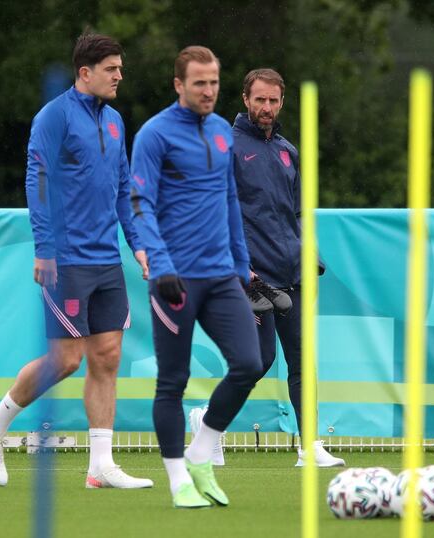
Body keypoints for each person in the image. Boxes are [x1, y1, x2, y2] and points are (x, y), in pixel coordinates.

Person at [0, 33, 153, 490]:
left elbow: (123, 185)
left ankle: (101, 467)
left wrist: (139, 242)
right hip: (66, 260)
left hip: (106, 259)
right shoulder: (53, 116)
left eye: (120, 67)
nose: (119, 75)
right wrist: (44, 248)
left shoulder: (114, 121)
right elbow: (38, 180)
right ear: (85, 72)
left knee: (107, 358)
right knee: (66, 359)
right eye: (111, 68)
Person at [130, 46, 262, 508]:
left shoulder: (223, 131)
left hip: (222, 275)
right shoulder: (154, 135)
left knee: (250, 364)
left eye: (214, 82)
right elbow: (139, 202)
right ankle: (177, 480)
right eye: (199, 83)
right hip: (174, 279)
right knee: (173, 381)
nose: (208, 91)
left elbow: (229, 200)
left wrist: (241, 264)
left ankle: (201, 453)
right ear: (178, 85)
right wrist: (160, 266)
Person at [231, 68, 345, 467]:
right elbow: (220, 212)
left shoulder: (287, 151)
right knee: (257, 363)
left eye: (273, 101)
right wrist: (238, 265)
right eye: (259, 99)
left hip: (291, 275)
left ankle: (309, 447)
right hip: (252, 278)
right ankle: (207, 424)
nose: (266, 107)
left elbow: (295, 215)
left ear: (282, 102)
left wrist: (308, 257)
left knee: (301, 361)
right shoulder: (227, 146)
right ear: (245, 99)